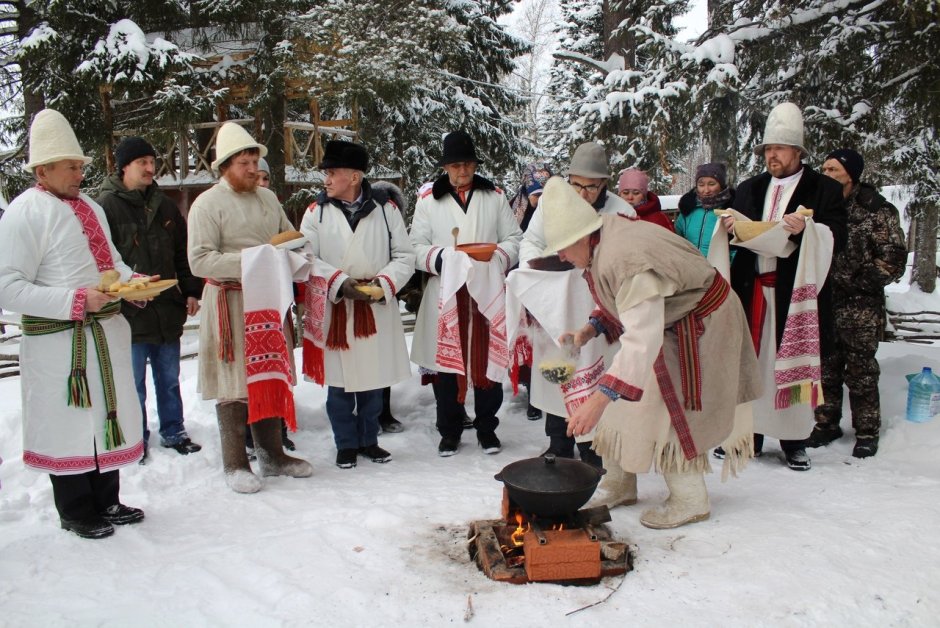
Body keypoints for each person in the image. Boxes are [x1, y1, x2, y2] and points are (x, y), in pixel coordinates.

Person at [539, 177, 761, 529]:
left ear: (582, 235)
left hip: (704, 322)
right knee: (628, 405)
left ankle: (690, 499)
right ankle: (619, 482)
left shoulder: (623, 255)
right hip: (671, 319)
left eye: (563, 248)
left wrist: (597, 401)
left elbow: (642, 334)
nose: (562, 257)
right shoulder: (603, 238)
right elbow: (623, 300)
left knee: (671, 414)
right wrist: (586, 332)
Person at [0, 109, 145, 538]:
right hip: (60, 345)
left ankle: (107, 499)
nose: (80, 173)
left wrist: (134, 282)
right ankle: (76, 509)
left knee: (105, 416)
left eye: (81, 166)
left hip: (102, 335)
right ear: (42, 169)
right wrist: (74, 301)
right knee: (70, 422)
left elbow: (110, 262)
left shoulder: (89, 208)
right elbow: (7, 287)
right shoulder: (25, 213)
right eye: (71, 166)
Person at [188, 122, 313, 493]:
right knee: (234, 381)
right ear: (225, 165)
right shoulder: (207, 204)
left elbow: (287, 237)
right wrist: (256, 260)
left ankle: (273, 455)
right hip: (229, 301)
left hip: (268, 300)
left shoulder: (268, 199)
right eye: (244, 161)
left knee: (269, 373)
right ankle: (235, 463)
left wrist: (297, 250)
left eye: (255, 160)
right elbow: (200, 261)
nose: (253, 168)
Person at [722, 102, 847, 470]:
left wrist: (808, 229)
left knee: (788, 362)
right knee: (753, 362)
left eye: (778, 148)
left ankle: (794, 441)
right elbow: (736, 230)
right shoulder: (750, 188)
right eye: (766, 149)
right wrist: (729, 228)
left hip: (794, 296)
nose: (770, 155)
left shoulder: (822, 189)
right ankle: (750, 435)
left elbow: (837, 234)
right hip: (753, 290)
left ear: (797, 152)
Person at [516, 142, 635, 474]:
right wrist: (537, 264)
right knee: (559, 370)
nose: (582, 193)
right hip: (557, 303)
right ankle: (559, 441)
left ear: (605, 185)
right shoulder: (552, 204)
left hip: (600, 310)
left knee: (597, 372)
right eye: (576, 184)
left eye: (591, 186)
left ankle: (597, 446)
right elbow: (530, 241)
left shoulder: (622, 211)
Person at [299, 141, 415, 468]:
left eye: (332, 172)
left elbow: (405, 256)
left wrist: (383, 283)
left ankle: (369, 440)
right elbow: (307, 258)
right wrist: (340, 283)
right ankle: (345, 444)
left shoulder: (386, 210)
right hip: (338, 308)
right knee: (339, 387)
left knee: (372, 382)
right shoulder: (315, 213)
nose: (326, 179)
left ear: (354, 176)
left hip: (375, 305)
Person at [409, 130, 522, 456]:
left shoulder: (494, 196)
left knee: (488, 363)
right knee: (447, 366)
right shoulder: (429, 201)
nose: (463, 172)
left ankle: (487, 428)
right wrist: (443, 258)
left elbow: (514, 239)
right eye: (456, 165)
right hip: (446, 292)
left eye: (468, 165)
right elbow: (415, 247)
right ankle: (450, 430)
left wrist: (496, 258)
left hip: (485, 292)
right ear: (446, 167)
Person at [97, 136, 203, 462]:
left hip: (167, 308)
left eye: (151, 161)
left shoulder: (166, 204)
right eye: (141, 162)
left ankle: (174, 431)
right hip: (129, 312)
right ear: (124, 166)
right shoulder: (105, 206)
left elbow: (181, 253)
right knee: (132, 385)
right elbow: (103, 262)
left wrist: (191, 290)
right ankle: (135, 439)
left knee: (169, 379)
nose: (149, 167)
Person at [808, 148, 906, 458]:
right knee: (826, 367)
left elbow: (893, 260)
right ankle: (826, 423)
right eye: (824, 169)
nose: (827, 174)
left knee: (861, 371)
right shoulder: (817, 208)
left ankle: (866, 431)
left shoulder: (877, 210)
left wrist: (856, 282)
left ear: (851, 174)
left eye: (833, 170)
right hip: (825, 301)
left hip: (860, 306)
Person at [248, 154, 297, 452]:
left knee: (279, 362)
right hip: (247, 294)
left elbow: (291, 236)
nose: (262, 183)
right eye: (257, 178)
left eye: (266, 178)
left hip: (275, 295)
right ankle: (247, 431)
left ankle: (278, 426)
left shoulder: (273, 205)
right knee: (249, 368)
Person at [508, 162, 553, 420]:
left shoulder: (557, 207)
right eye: (536, 194)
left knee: (550, 339)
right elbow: (514, 242)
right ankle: (533, 394)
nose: (540, 199)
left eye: (545, 193)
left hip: (552, 282)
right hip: (527, 281)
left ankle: (551, 390)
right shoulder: (517, 208)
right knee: (530, 338)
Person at [675, 162, 736, 257]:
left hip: (721, 268)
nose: (706, 190)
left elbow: (738, 245)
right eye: (701, 185)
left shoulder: (732, 208)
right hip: (690, 266)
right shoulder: (688, 208)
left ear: (721, 185)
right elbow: (675, 237)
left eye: (712, 184)